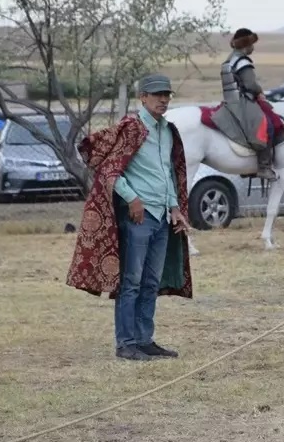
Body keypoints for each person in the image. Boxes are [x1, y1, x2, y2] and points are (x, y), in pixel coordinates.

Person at [67, 74, 194, 361]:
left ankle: (144, 339)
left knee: (151, 281)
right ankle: (126, 343)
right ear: (143, 98)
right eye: (157, 94)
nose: (163, 100)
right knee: (132, 281)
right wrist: (131, 199)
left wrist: (175, 207)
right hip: (140, 217)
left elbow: (168, 173)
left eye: (167, 95)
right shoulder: (131, 129)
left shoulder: (167, 131)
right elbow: (110, 170)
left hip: (162, 216)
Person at [213, 27, 284, 180]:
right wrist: (259, 92)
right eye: (252, 44)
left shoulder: (229, 59)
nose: (253, 47)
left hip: (230, 100)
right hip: (242, 101)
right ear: (246, 44)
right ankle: (264, 167)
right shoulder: (242, 61)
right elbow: (250, 84)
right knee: (268, 125)